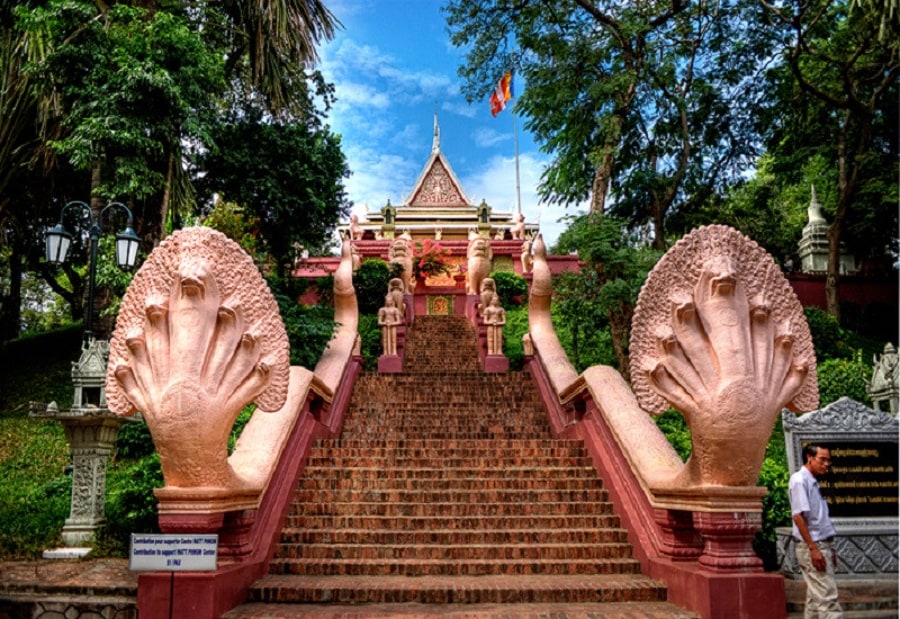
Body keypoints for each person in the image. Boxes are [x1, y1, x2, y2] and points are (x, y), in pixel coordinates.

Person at [789, 443, 843, 619]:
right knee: (828, 599)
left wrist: (828, 549)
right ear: (809, 458)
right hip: (812, 546)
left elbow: (818, 519)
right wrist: (813, 548)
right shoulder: (799, 480)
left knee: (815, 600)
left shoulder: (813, 481)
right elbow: (798, 516)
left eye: (828, 460)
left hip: (821, 544)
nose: (826, 464)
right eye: (822, 459)